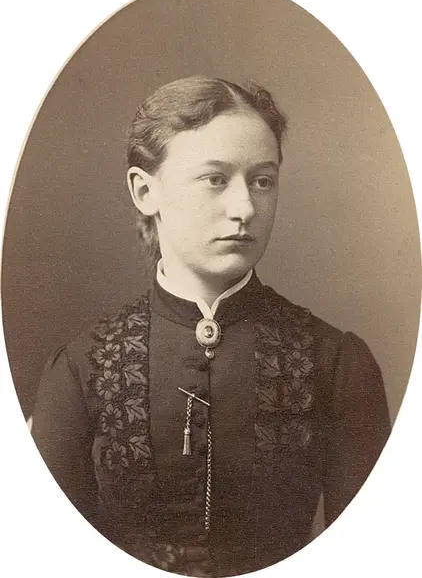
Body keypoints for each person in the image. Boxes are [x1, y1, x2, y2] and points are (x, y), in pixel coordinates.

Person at [31, 76, 391, 577]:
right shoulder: (80, 369)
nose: (245, 209)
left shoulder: (336, 364)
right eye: (215, 179)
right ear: (145, 191)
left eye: (262, 181)